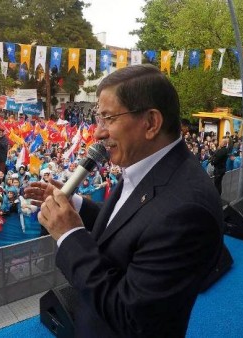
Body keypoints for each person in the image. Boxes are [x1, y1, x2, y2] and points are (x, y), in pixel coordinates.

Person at [24, 65, 223, 338]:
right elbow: (130, 224)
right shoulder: (149, 165)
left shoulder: (188, 211)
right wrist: (76, 206)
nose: (98, 133)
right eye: (98, 118)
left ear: (151, 123)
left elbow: (131, 316)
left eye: (108, 118)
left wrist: (69, 235)